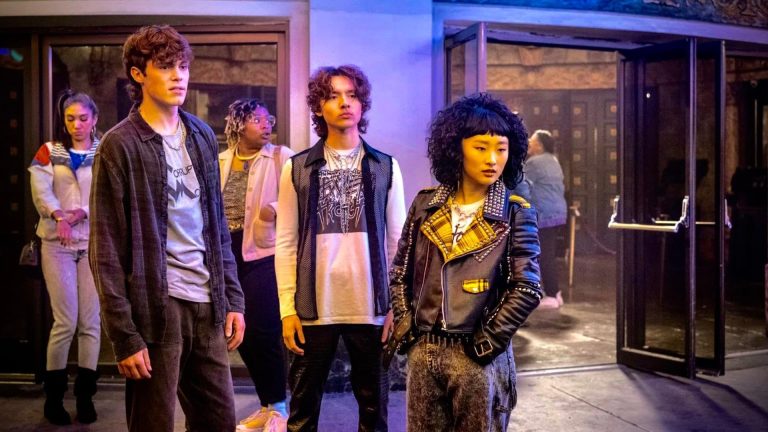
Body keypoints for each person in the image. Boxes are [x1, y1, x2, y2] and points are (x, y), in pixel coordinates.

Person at [89, 25, 245, 431]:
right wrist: (124, 335)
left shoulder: (201, 135)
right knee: (153, 424)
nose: (179, 76)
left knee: (219, 422)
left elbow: (217, 227)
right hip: (157, 309)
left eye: (183, 66)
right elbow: (104, 249)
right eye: (165, 66)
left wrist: (233, 298)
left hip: (207, 303)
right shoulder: (120, 145)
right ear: (138, 74)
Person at [387, 93, 542, 431]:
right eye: (481, 147)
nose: (492, 159)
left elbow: (527, 287)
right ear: (456, 148)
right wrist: (408, 328)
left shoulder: (515, 212)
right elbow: (399, 273)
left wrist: (486, 343)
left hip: (478, 355)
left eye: (501, 149)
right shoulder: (425, 205)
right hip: (424, 349)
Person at [275, 64, 406, 432]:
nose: (345, 103)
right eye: (333, 96)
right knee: (302, 413)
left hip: (372, 307)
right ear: (319, 107)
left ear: (362, 104)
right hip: (312, 308)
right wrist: (287, 309)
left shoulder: (385, 166)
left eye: (352, 95)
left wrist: (395, 305)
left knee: (375, 413)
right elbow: (285, 242)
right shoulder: (296, 168)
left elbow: (398, 242)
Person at [220, 98, 294, 432]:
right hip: (227, 253)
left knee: (264, 330)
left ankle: (278, 407)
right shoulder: (220, 161)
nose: (266, 125)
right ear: (238, 124)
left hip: (264, 253)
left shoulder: (281, 157)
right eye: (257, 120)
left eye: (268, 120)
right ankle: (267, 404)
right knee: (242, 332)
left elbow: (301, 195)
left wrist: (273, 209)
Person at [29, 90, 101, 425]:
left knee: (91, 323)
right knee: (65, 322)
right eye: (70, 118)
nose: (77, 124)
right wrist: (59, 215)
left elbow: (108, 192)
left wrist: (82, 212)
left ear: (94, 119)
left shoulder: (103, 150)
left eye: (83, 118)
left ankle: (85, 397)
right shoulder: (50, 151)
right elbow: (40, 189)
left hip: (92, 244)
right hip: (57, 243)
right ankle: (54, 398)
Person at [525, 129, 567, 309]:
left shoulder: (535, 162)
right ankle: (555, 293)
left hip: (544, 213)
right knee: (547, 253)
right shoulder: (553, 160)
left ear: (540, 146)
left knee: (544, 255)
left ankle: (551, 295)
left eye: (532, 141)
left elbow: (519, 183)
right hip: (557, 213)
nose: (529, 142)